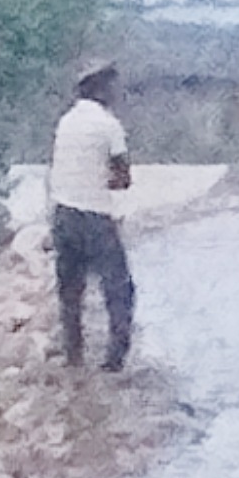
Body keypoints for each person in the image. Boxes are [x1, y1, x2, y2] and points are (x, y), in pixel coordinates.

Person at [47, 60, 137, 370]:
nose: (116, 91)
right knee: (118, 287)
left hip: (62, 214)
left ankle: (74, 356)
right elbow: (123, 178)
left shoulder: (66, 121)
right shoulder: (109, 125)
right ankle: (114, 361)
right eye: (112, 85)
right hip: (94, 216)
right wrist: (105, 179)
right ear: (100, 88)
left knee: (71, 289)